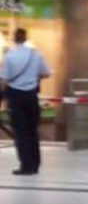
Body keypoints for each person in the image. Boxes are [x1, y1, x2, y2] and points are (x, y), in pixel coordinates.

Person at [0, 29, 50, 175]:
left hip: (16, 97)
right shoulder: (36, 54)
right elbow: (46, 73)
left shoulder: (10, 56)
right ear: (26, 38)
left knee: (21, 132)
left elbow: (3, 80)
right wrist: (32, 77)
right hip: (32, 96)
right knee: (32, 130)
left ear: (14, 38)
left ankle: (26, 165)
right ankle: (35, 164)